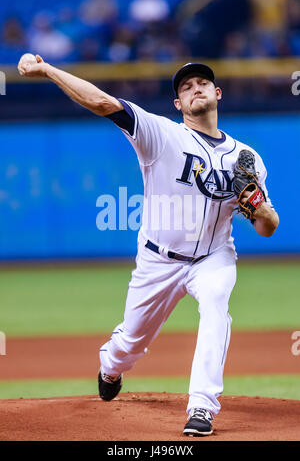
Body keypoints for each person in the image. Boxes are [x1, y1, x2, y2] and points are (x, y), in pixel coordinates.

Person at [18, 56, 279, 436]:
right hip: (158, 260)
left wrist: (255, 204)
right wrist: (49, 71)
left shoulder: (247, 158)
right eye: (186, 87)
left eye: (202, 83)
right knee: (130, 344)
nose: (195, 89)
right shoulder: (161, 134)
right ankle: (111, 365)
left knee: (216, 308)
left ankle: (202, 408)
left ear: (217, 93)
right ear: (178, 105)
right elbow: (103, 102)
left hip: (214, 258)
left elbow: (267, 227)